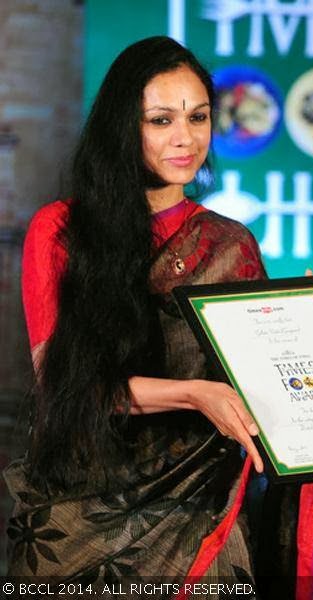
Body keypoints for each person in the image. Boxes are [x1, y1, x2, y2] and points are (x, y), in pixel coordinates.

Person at [4, 35, 293, 588]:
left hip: (199, 511)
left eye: (199, 117)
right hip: (76, 512)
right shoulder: (62, 230)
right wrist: (193, 393)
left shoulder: (229, 244)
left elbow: (261, 382)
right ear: (122, 127)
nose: (186, 138)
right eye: (160, 120)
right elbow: (62, 386)